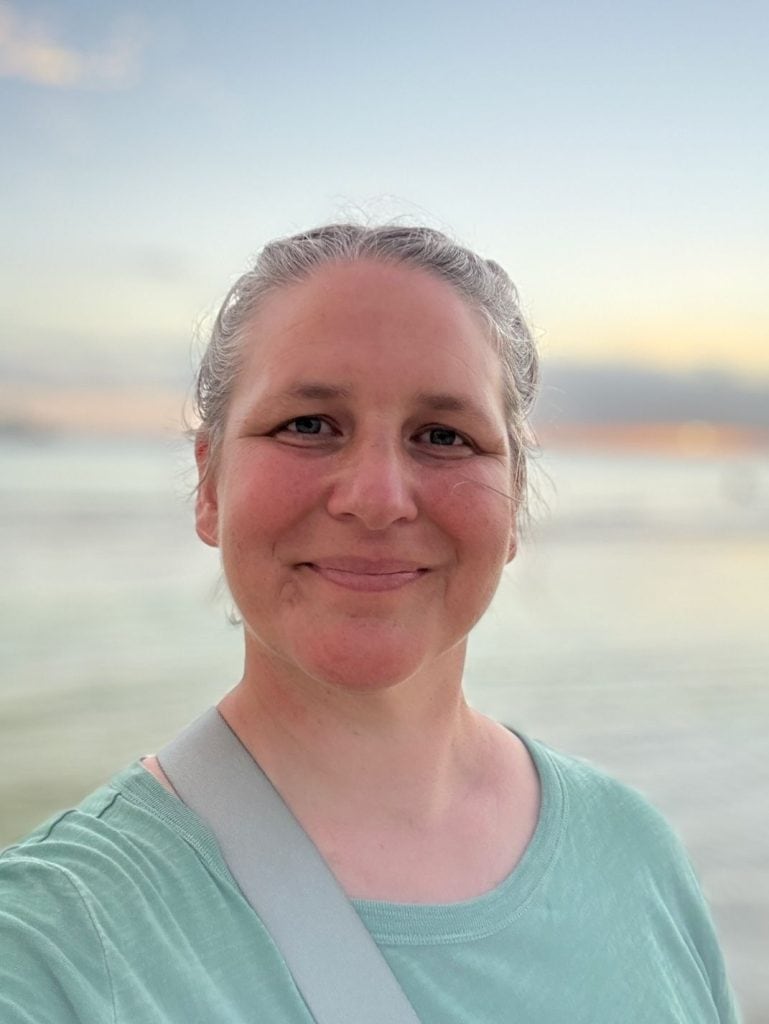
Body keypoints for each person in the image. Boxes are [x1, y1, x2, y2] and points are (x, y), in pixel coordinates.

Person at [0, 224, 739, 1022]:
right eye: (308, 424)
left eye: (443, 437)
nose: (377, 498)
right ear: (209, 486)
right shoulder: (53, 940)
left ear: (514, 503)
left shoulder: (634, 855)